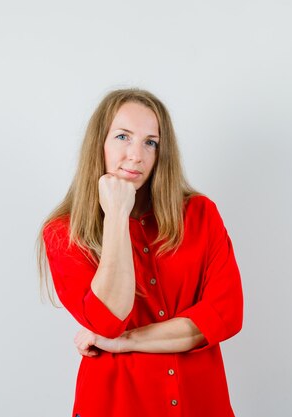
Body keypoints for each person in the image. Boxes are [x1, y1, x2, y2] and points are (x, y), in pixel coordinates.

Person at [36, 88, 244, 417]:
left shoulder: (200, 215)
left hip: (200, 404)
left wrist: (126, 342)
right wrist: (117, 214)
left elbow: (226, 314)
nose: (137, 155)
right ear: (99, 144)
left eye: (151, 142)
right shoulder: (64, 232)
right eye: (123, 137)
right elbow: (107, 321)